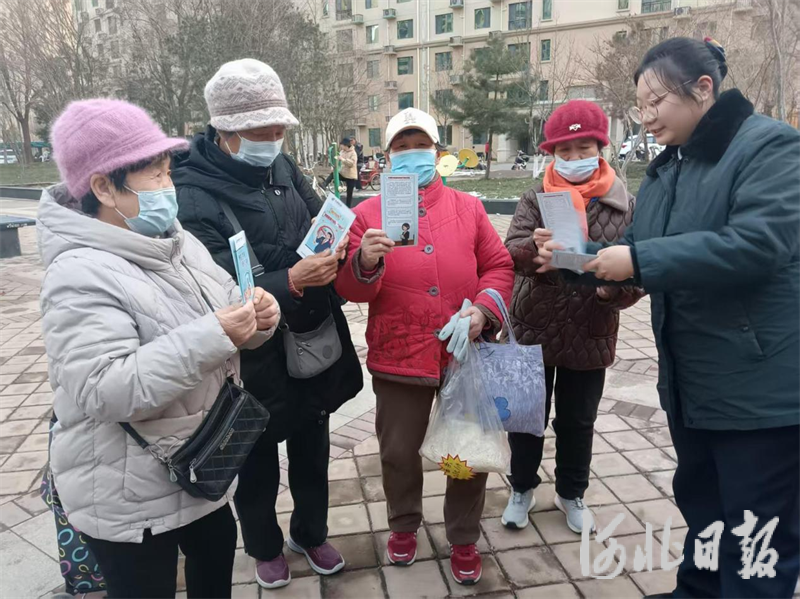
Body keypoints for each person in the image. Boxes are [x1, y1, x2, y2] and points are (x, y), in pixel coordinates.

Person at [538, 38, 800, 599]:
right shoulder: (667, 170)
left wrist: (636, 261)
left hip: (759, 391)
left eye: (656, 101)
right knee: (704, 509)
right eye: (640, 106)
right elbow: (637, 249)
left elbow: (758, 245)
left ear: (703, 89)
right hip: (692, 384)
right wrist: (575, 259)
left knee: (756, 533)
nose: (647, 116)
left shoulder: (769, 147)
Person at [38, 98, 280, 599]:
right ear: (104, 187)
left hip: (202, 466)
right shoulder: (77, 274)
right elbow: (104, 389)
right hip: (129, 496)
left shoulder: (176, 241)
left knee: (215, 571)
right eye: (154, 175)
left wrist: (258, 318)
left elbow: (226, 307)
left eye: (168, 171)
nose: (169, 186)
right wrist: (216, 334)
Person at [172, 59, 363, 591]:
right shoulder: (192, 194)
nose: (274, 141)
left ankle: (311, 532)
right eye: (261, 131)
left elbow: (316, 210)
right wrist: (292, 280)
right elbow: (213, 287)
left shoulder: (281, 165)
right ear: (226, 131)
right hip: (251, 351)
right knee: (255, 458)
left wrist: (334, 240)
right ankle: (263, 546)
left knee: (313, 445)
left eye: (280, 129)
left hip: (309, 337)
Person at [335, 107, 514, 586]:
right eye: (402, 146)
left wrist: (483, 311)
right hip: (399, 353)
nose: (412, 153)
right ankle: (403, 524)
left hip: (463, 354)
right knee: (397, 451)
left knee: (467, 451)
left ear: (436, 152)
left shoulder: (468, 207)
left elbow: (498, 266)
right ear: (388, 155)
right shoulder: (366, 215)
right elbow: (350, 290)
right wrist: (364, 262)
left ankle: (463, 536)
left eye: (421, 145)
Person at [502, 100, 643, 534]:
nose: (575, 158)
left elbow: (640, 271)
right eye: (565, 151)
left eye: (584, 149)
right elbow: (510, 251)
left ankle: (571, 492)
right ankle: (521, 487)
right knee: (526, 418)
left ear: (601, 148)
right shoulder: (536, 197)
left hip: (590, 329)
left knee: (578, 421)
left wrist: (608, 289)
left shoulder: (625, 205)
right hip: (533, 325)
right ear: (552, 153)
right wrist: (534, 251)